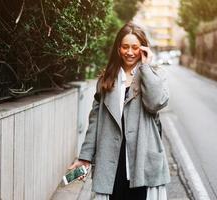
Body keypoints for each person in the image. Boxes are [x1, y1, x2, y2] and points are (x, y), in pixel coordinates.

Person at [68, 22, 170, 200]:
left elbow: (156, 103)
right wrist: (85, 157)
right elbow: (95, 121)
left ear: (143, 49)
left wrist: (145, 67)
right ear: (118, 49)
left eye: (135, 47)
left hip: (142, 160)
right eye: (125, 47)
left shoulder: (154, 75)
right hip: (111, 160)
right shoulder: (106, 79)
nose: (130, 52)